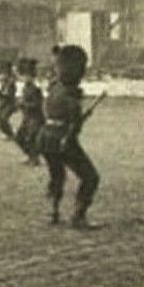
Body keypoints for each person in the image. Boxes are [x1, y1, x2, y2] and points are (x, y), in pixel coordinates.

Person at [39, 44, 100, 228]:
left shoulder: (53, 88)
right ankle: (78, 216)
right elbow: (74, 127)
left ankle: (53, 213)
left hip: (45, 138)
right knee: (90, 177)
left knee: (57, 176)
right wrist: (81, 119)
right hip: (63, 139)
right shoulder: (72, 97)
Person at [14, 58, 45, 166]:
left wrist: (23, 104)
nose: (25, 78)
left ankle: (35, 159)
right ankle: (30, 156)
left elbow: (37, 105)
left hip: (36, 118)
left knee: (31, 139)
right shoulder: (25, 88)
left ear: (32, 77)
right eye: (24, 76)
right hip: (27, 117)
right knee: (19, 137)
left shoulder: (36, 89)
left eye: (28, 76)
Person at [0, 59, 18, 141]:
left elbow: (8, 96)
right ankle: (9, 132)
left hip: (10, 105)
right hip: (4, 104)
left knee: (3, 119)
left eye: (4, 73)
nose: (2, 76)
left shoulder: (11, 83)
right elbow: (3, 95)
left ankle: (11, 134)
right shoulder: (5, 82)